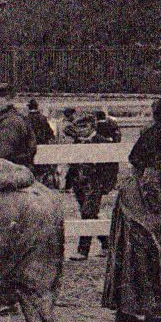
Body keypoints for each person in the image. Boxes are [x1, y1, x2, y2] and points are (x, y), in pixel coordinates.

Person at [102, 97, 161, 322]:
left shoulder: (151, 134)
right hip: (146, 198)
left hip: (132, 197)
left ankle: (126, 310)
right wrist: (156, 211)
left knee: (129, 252)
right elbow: (151, 177)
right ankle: (152, 314)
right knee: (154, 253)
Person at [65, 109, 122, 259]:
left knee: (87, 213)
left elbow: (112, 166)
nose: (80, 130)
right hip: (79, 183)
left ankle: (82, 251)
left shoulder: (103, 142)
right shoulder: (78, 142)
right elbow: (72, 164)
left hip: (95, 183)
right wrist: (70, 182)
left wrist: (106, 185)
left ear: (91, 127)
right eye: (78, 127)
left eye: (83, 127)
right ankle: (106, 244)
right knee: (90, 214)